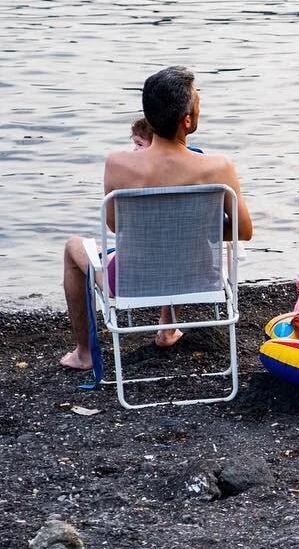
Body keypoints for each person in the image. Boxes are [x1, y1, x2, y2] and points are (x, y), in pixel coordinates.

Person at [60, 66, 253, 370]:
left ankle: (84, 353)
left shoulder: (118, 164)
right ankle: (166, 328)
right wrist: (202, 226)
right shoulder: (217, 167)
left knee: (74, 247)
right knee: (178, 239)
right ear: (187, 120)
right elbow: (243, 231)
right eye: (198, 100)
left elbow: (116, 226)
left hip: (132, 281)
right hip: (198, 275)